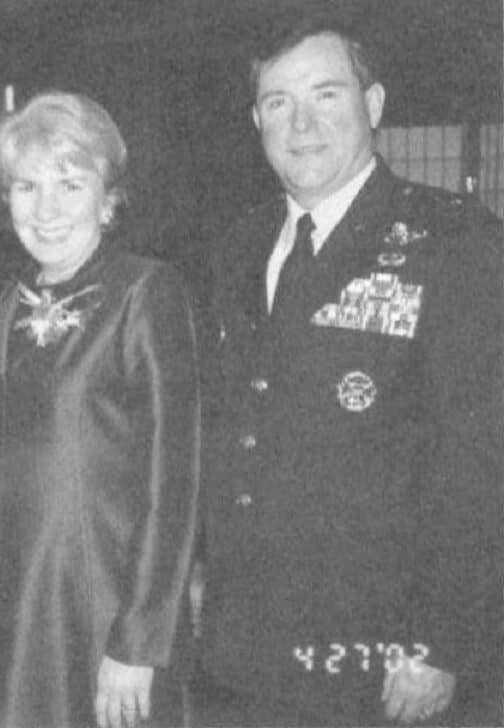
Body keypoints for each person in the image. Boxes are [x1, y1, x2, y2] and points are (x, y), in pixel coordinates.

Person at [198, 16, 503, 726]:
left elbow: (480, 458)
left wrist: (441, 639)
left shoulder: (455, 243)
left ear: (373, 105)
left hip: (377, 651)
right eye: (278, 103)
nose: (301, 123)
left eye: (326, 95)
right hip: (245, 647)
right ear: (255, 119)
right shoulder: (238, 246)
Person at [0, 91, 201, 728]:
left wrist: (140, 641)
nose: (45, 210)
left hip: (106, 617)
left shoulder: (144, 292)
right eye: (26, 187)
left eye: (69, 185)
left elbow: (172, 484)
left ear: (108, 198)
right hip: (17, 615)